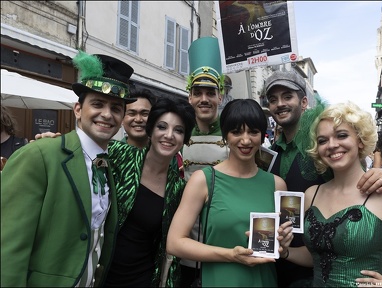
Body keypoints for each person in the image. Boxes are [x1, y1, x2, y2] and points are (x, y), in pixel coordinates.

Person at [1, 51, 135, 286]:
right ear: (77, 110)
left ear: (122, 116)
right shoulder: (38, 155)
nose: (107, 114)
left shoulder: (106, 165)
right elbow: (8, 248)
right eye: (97, 104)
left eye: (116, 108)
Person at [265, 69, 382, 287]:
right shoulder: (271, 153)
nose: (280, 104)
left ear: (304, 101)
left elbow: (352, 172)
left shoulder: (320, 151)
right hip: (283, 265)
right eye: (273, 99)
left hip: (314, 273)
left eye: (287, 96)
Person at [283, 102, 382, 287]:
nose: (332, 145)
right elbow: (316, 256)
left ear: (360, 140)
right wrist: (286, 252)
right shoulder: (311, 195)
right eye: (322, 140)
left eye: (342, 135)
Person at [167, 99, 292, 287]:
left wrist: (283, 243)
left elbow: (279, 244)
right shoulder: (203, 180)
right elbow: (175, 243)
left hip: (263, 280)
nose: (246, 140)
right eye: (236, 132)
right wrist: (231, 255)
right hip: (219, 280)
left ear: (262, 135)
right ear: (225, 136)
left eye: (253, 132)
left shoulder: (277, 184)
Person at [104, 96, 196, 287]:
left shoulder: (178, 189)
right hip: (99, 275)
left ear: (185, 139)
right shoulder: (119, 155)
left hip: (142, 280)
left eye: (178, 130)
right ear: (151, 130)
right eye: (162, 127)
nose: (169, 135)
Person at [180, 36, 230, 286]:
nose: (204, 99)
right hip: (186, 237)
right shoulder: (178, 134)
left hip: (224, 239)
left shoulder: (235, 135)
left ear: (220, 97)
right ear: (189, 97)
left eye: (210, 93)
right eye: (197, 93)